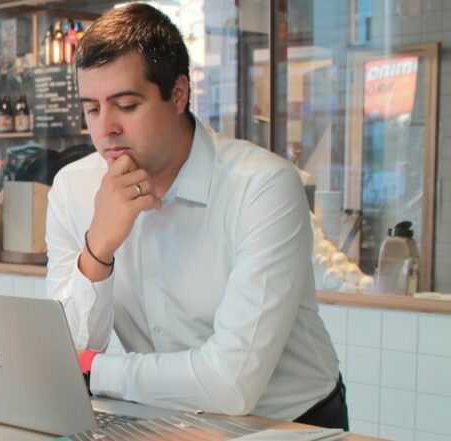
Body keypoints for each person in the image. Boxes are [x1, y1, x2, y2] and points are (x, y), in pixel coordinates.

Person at [45, 3, 345, 430]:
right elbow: (65, 351)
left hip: (289, 422)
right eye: (92, 109)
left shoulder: (261, 187)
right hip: (165, 418)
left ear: (179, 94)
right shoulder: (73, 189)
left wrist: (96, 369)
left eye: (126, 105)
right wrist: (98, 250)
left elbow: (230, 383)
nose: (105, 128)